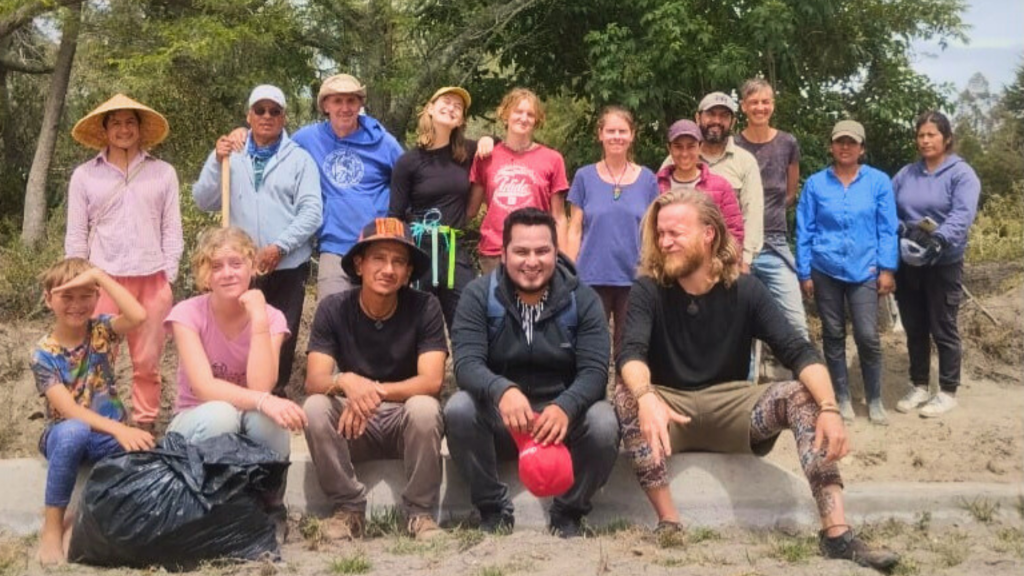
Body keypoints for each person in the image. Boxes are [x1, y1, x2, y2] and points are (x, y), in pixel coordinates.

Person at [614, 190, 899, 571]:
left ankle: (837, 534)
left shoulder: (745, 289)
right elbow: (630, 353)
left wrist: (830, 408)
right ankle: (669, 522)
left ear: (709, 234)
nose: (665, 242)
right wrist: (647, 395)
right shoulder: (649, 288)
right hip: (669, 410)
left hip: (732, 407)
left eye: (675, 233)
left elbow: (797, 350)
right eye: (660, 233)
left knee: (804, 395)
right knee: (627, 392)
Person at [445, 208, 620, 538]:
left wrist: (566, 406)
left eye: (542, 251)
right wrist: (502, 390)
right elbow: (466, 364)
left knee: (604, 422)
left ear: (556, 252)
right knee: (459, 408)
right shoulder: (478, 296)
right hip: (503, 419)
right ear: (503, 253)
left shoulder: (583, 299)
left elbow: (595, 372)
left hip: (560, 421)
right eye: (521, 251)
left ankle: (568, 511)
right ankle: (493, 508)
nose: (532, 261)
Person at [303, 218, 448, 541]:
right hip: (353, 424)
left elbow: (431, 381)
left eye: (399, 261)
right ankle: (348, 509)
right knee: (314, 407)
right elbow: (315, 379)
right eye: (379, 258)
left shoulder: (426, 307)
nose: (388, 269)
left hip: (402, 419)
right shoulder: (334, 308)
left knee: (425, 407)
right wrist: (345, 382)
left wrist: (369, 391)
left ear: (409, 272)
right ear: (359, 264)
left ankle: (420, 514)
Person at [164, 227, 308, 538]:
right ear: (204, 276)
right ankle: (212, 508)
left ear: (253, 267)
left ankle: (269, 505)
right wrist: (264, 400)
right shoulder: (187, 314)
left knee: (269, 420)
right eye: (216, 266)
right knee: (223, 414)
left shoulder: (271, 318)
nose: (227, 274)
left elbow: (261, 386)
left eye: (236, 263)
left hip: (243, 417)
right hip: (195, 422)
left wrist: (257, 319)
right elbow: (204, 387)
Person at [193, 84, 322, 397]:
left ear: (284, 117)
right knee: (240, 328)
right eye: (260, 110)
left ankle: (273, 392)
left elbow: (312, 211)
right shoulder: (231, 154)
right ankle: (238, 392)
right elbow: (203, 200)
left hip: (288, 262)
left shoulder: (300, 160)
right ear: (249, 115)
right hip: (240, 265)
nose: (267, 116)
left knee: (281, 329)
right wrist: (215, 159)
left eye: (274, 111)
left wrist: (281, 246)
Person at [65, 94, 183, 432]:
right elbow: (76, 234)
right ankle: (101, 425)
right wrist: (79, 282)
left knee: (147, 362)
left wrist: (168, 276)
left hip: (152, 279)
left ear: (140, 128)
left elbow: (171, 230)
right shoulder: (85, 176)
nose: (123, 129)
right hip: (103, 280)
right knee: (99, 356)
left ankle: (145, 425)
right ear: (104, 130)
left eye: (130, 122)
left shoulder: (162, 173)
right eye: (115, 123)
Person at [231, 74, 404, 299]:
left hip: (378, 243)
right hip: (334, 246)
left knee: (382, 320)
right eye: (337, 101)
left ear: (360, 104)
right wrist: (242, 133)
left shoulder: (382, 141)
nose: (344, 108)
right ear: (325, 105)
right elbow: (275, 146)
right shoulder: (308, 138)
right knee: (331, 317)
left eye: (351, 101)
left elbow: (408, 178)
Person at [32, 258, 154, 565]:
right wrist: (121, 429)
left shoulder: (101, 330)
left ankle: (82, 520)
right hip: (64, 435)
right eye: (66, 296)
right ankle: (52, 528)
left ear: (97, 296)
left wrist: (99, 274)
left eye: (86, 295)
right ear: (48, 300)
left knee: (147, 449)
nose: (77, 305)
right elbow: (70, 411)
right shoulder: (44, 353)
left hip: (106, 437)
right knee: (76, 431)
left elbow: (138, 315)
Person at [795, 120, 899, 425]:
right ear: (831, 145)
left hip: (864, 269)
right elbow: (804, 229)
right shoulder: (815, 184)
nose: (845, 147)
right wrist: (804, 272)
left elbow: (887, 229)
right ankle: (841, 397)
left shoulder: (878, 182)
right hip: (825, 267)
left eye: (851, 142)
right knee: (833, 333)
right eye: (839, 141)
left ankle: (875, 398)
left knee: (867, 336)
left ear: (862, 148)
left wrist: (888, 269)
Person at [892, 111, 981, 417]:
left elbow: (962, 213)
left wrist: (939, 239)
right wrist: (903, 229)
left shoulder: (961, 174)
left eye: (932, 134)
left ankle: (947, 389)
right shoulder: (907, 173)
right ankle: (919, 385)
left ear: (946, 138)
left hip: (943, 262)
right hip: (909, 261)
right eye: (921, 135)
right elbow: (887, 206)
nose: (926, 140)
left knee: (943, 326)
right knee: (914, 326)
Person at [389, 86, 493, 327]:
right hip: (419, 250)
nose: (452, 108)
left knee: (467, 324)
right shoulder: (408, 162)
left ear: (462, 120)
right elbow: (395, 215)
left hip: (454, 249)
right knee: (414, 325)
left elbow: (501, 146)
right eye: (446, 102)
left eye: (458, 107)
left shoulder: (468, 152)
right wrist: (398, 260)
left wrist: (488, 139)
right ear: (430, 109)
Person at [565, 106, 659, 352]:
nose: (616, 136)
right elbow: (574, 228)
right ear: (600, 134)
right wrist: (567, 269)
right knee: (589, 343)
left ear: (632, 135)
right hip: (591, 275)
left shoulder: (648, 179)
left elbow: (653, 231)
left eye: (622, 131)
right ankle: (591, 389)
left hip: (634, 276)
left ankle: (624, 389)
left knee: (628, 344)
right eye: (611, 131)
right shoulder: (584, 177)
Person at [734, 78, 808, 339]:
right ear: (743, 106)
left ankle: (804, 378)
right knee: (739, 326)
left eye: (765, 102)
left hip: (775, 242)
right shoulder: (733, 146)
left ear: (773, 105)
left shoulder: (787, 143)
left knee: (796, 324)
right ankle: (745, 380)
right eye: (753, 102)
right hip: (738, 245)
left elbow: (790, 192)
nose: (760, 107)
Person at [468, 88, 570, 275]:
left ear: (537, 120)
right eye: (518, 112)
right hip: (494, 251)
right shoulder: (485, 157)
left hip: (536, 252)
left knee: (534, 305)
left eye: (530, 114)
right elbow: (471, 210)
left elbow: (559, 216)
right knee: (496, 304)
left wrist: (562, 258)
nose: (524, 118)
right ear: (505, 114)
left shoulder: (553, 159)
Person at [660, 91, 764, 271]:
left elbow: (751, 213)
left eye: (724, 116)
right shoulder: (672, 162)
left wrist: (743, 260)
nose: (717, 120)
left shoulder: (745, 161)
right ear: (698, 117)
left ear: (732, 122)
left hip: (724, 259)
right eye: (711, 114)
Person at [654, 118, 745, 246]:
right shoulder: (655, 185)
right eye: (678, 147)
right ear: (669, 148)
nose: (684, 153)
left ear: (700, 147)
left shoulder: (721, 187)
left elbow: (734, 233)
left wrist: (719, 263)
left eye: (691, 146)